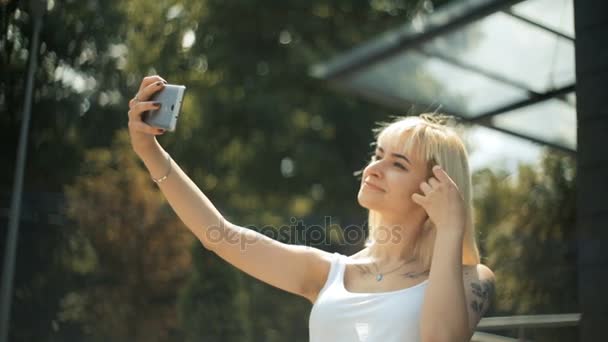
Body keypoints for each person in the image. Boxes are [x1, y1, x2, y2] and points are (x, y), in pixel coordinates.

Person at [127, 75, 495, 342]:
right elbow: (220, 236)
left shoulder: (471, 279)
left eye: (398, 164)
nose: (373, 169)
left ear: (438, 188)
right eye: (377, 155)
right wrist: (150, 152)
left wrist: (450, 228)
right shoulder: (329, 273)